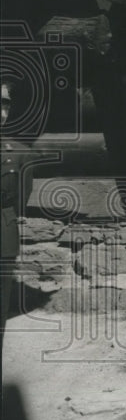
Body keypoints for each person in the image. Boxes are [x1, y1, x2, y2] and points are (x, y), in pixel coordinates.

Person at [1, 80, 34, 342]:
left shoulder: (21, 155)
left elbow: (20, 201)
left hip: (4, 236)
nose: (1, 111)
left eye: (5, 104)